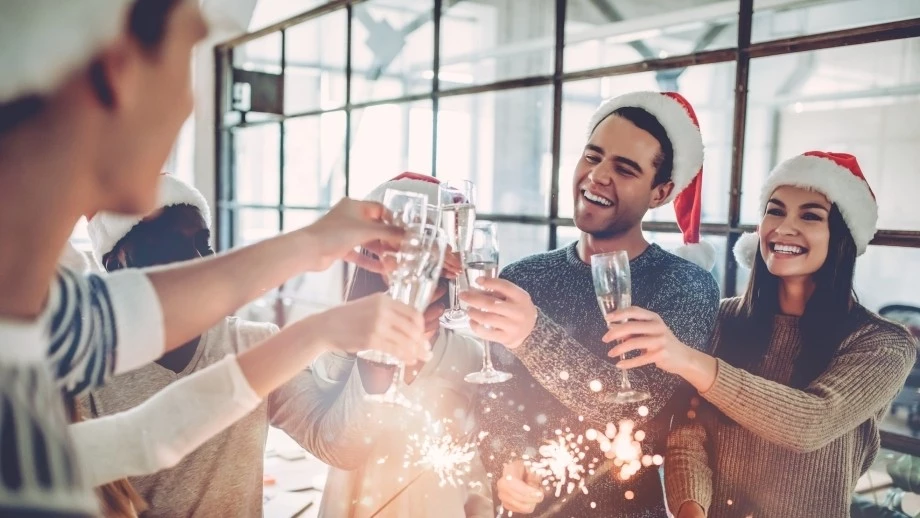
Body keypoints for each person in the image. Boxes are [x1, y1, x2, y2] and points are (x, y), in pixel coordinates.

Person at [0, 2, 423, 515]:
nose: (188, 106)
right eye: (187, 57)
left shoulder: (49, 317)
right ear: (119, 73)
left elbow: (147, 435)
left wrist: (319, 273)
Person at [78, 174, 427, 516]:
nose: (201, 261)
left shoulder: (252, 342)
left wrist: (381, 354)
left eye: (206, 244)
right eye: (173, 247)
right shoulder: (82, 378)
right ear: (116, 264)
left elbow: (340, 445)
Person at [600, 152, 918, 517]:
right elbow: (689, 435)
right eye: (775, 210)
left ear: (843, 238)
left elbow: (810, 423)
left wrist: (688, 359)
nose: (783, 228)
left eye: (811, 216)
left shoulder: (883, 343)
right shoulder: (723, 317)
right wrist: (691, 510)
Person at [460, 91, 720, 516]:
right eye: (593, 157)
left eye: (625, 168)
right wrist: (506, 463)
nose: (598, 176)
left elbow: (636, 406)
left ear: (661, 192)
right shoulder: (525, 277)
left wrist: (532, 333)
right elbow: (495, 400)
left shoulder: (685, 285)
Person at [304, 174, 493, 518]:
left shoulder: (470, 356)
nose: (414, 267)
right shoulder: (336, 350)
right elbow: (341, 447)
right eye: (400, 251)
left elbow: (475, 473)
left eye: (428, 250)